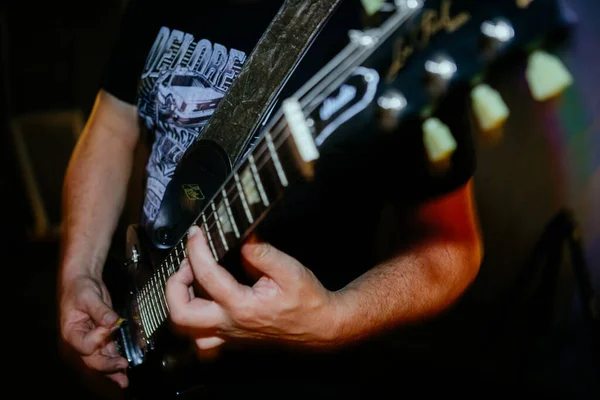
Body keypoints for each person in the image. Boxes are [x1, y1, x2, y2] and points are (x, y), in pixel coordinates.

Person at [58, 0, 483, 396]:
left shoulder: (404, 28)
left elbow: (454, 249)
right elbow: (112, 124)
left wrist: (336, 319)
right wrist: (81, 272)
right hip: (146, 317)